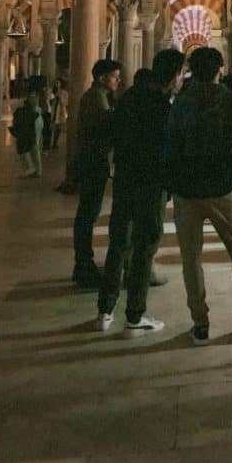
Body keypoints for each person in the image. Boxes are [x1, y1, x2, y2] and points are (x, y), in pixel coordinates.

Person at [165, 46, 232, 345]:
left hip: (187, 190)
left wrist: (175, 182)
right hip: (221, 189)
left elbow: (171, 145)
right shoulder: (228, 98)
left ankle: (201, 324)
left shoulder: (181, 101)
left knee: (191, 260)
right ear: (219, 70)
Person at [96, 51, 185, 337]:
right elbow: (168, 150)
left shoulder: (129, 98)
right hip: (150, 185)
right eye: (181, 73)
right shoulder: (162, 106)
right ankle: (134, 316)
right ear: (173, 75)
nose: (182, 78)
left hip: (124, 180)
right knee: (145, 247)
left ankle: (105, 310)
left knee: (119, 242)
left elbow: (112, 136)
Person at [71, 58, 122, 288]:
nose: (118, 80)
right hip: (93, 161)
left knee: (88, 213)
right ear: (102, 78)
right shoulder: (96, 97)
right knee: (88, 214)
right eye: (115, 76)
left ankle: (84, 263)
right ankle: (83, 265)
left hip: (94, 160)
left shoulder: (99, 96)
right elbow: (108, 124)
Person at [11, 83, 44, 178]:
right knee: (35, 145)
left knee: (34, 145)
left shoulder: (32, 97)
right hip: (36, 120)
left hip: (34, 120)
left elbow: (31, 108)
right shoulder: (37, 96)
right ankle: (36, 169)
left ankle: (35, 170)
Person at [50, 78, 68, 150]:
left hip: (60, 112)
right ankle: (50, 143)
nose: (56, 84)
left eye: (57, 82)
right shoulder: (54, 91)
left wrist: (60, 98)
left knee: (58, 128)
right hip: (53, 111)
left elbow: (66, 103)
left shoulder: (64, 93)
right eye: (55, 83)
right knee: (52, 127)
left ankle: (54, 143)